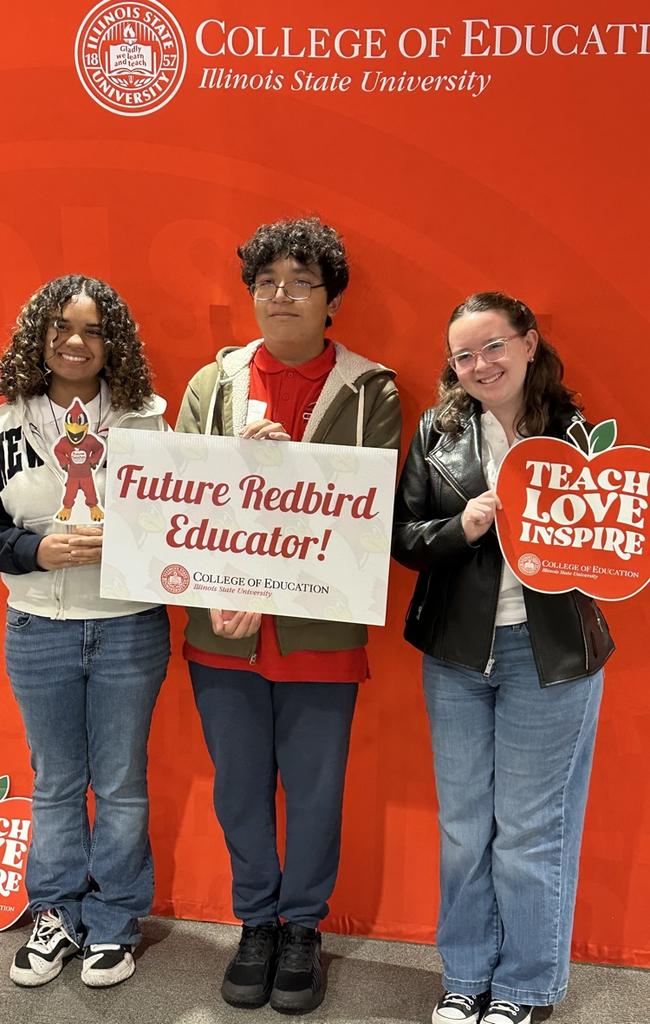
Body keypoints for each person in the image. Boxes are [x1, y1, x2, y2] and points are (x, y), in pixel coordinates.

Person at [176, 217, 401, 1014]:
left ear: (330, 297)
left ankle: (301, 926)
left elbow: (364, 516)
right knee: (239, 789)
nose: (281, 296)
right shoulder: (215, 383)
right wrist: (217, 589)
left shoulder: (372, 389)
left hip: (320, 633)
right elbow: (179, 502)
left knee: (313, 791)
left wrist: (282, 469)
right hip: (222, 631)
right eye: (267, 282)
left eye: (301, 282)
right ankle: (256, 923)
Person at [392, 292, 614, 1024]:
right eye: (463, 354)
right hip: (457, 655)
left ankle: (522, 988)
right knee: (462, 828)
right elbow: (403, 539)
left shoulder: (577, 434)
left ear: (527, 342)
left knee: (528, 830)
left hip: (549, 656)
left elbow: (614, 545)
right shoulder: (437, 429)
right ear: (452, 366)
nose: (480, 364)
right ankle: (464, 976)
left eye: (493, 346)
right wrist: (464, 525)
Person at [0, 275, 170, 988]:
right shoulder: (5, 418)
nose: (76, 342)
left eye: (93, 329)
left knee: (124, 781)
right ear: (37, 339)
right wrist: (30, 552)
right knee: (57, 781)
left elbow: (183, 520)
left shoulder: (147, 419)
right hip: (37, 624)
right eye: (60, 329)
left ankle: (114, 922)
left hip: (129, 627)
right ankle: (56, 914)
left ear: (114, 343)